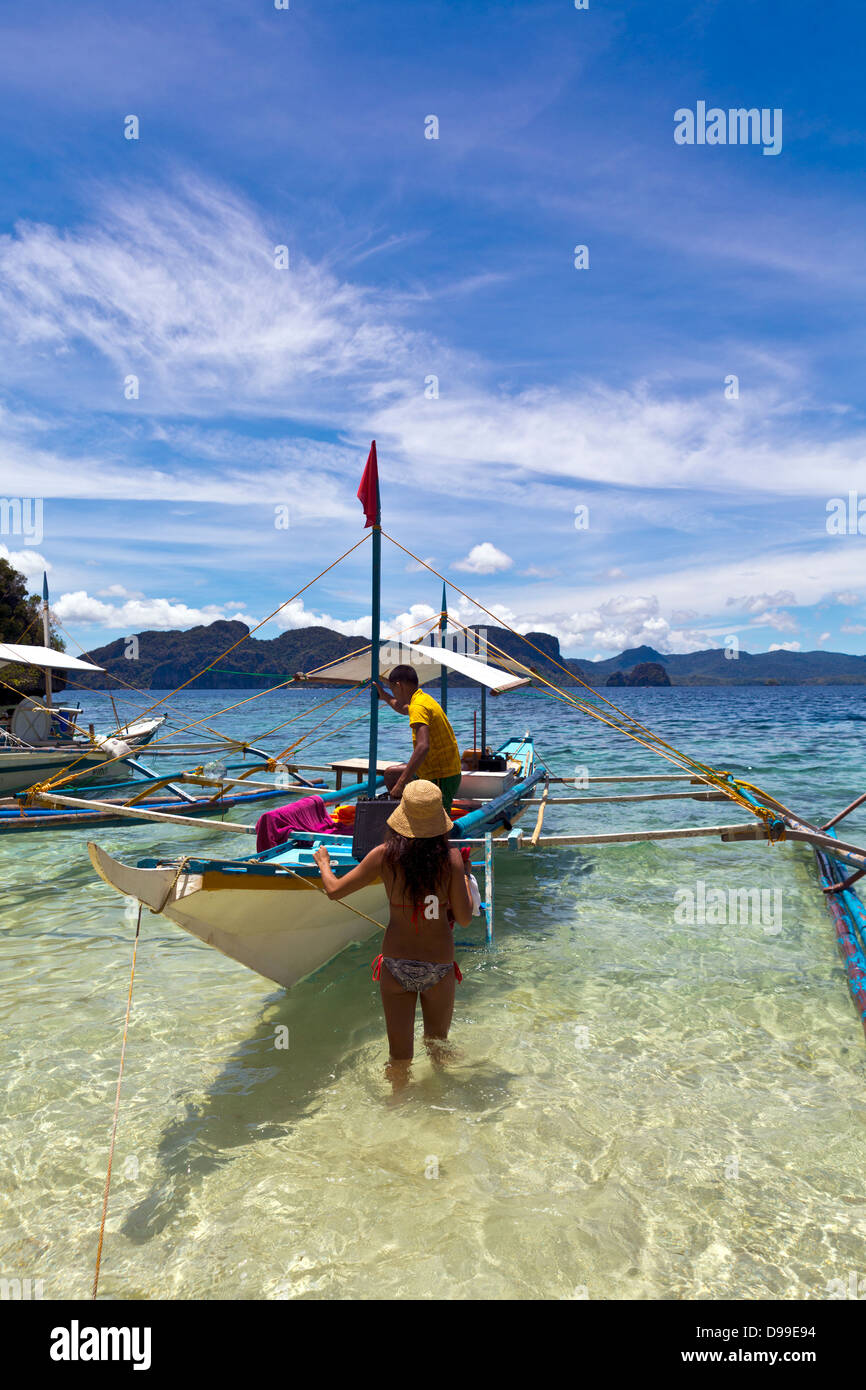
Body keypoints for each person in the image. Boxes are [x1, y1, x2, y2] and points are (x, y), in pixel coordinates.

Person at [313, 779, 473, 1084]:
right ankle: (443, 1104)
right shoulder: (450, 859)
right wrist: (465, 876)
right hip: (438, 967)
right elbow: (464, 918)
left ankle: (396, 1104)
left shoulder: (384, 855)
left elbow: (334, 891)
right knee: (438, 1048)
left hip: (396, 965)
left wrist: (323, 864)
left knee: (399, 1059)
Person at [375, 664, 462, 813]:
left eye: (392, 689)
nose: (394, 693)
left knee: (437, 821)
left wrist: (401, 784)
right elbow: (403, 708)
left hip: (441, 775)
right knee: (391, 775)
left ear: (399, 685)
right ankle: (406, 816)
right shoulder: (422, 698)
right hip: (432, 770)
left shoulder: (418, 707)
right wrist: (384, 696)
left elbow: (423, 746)